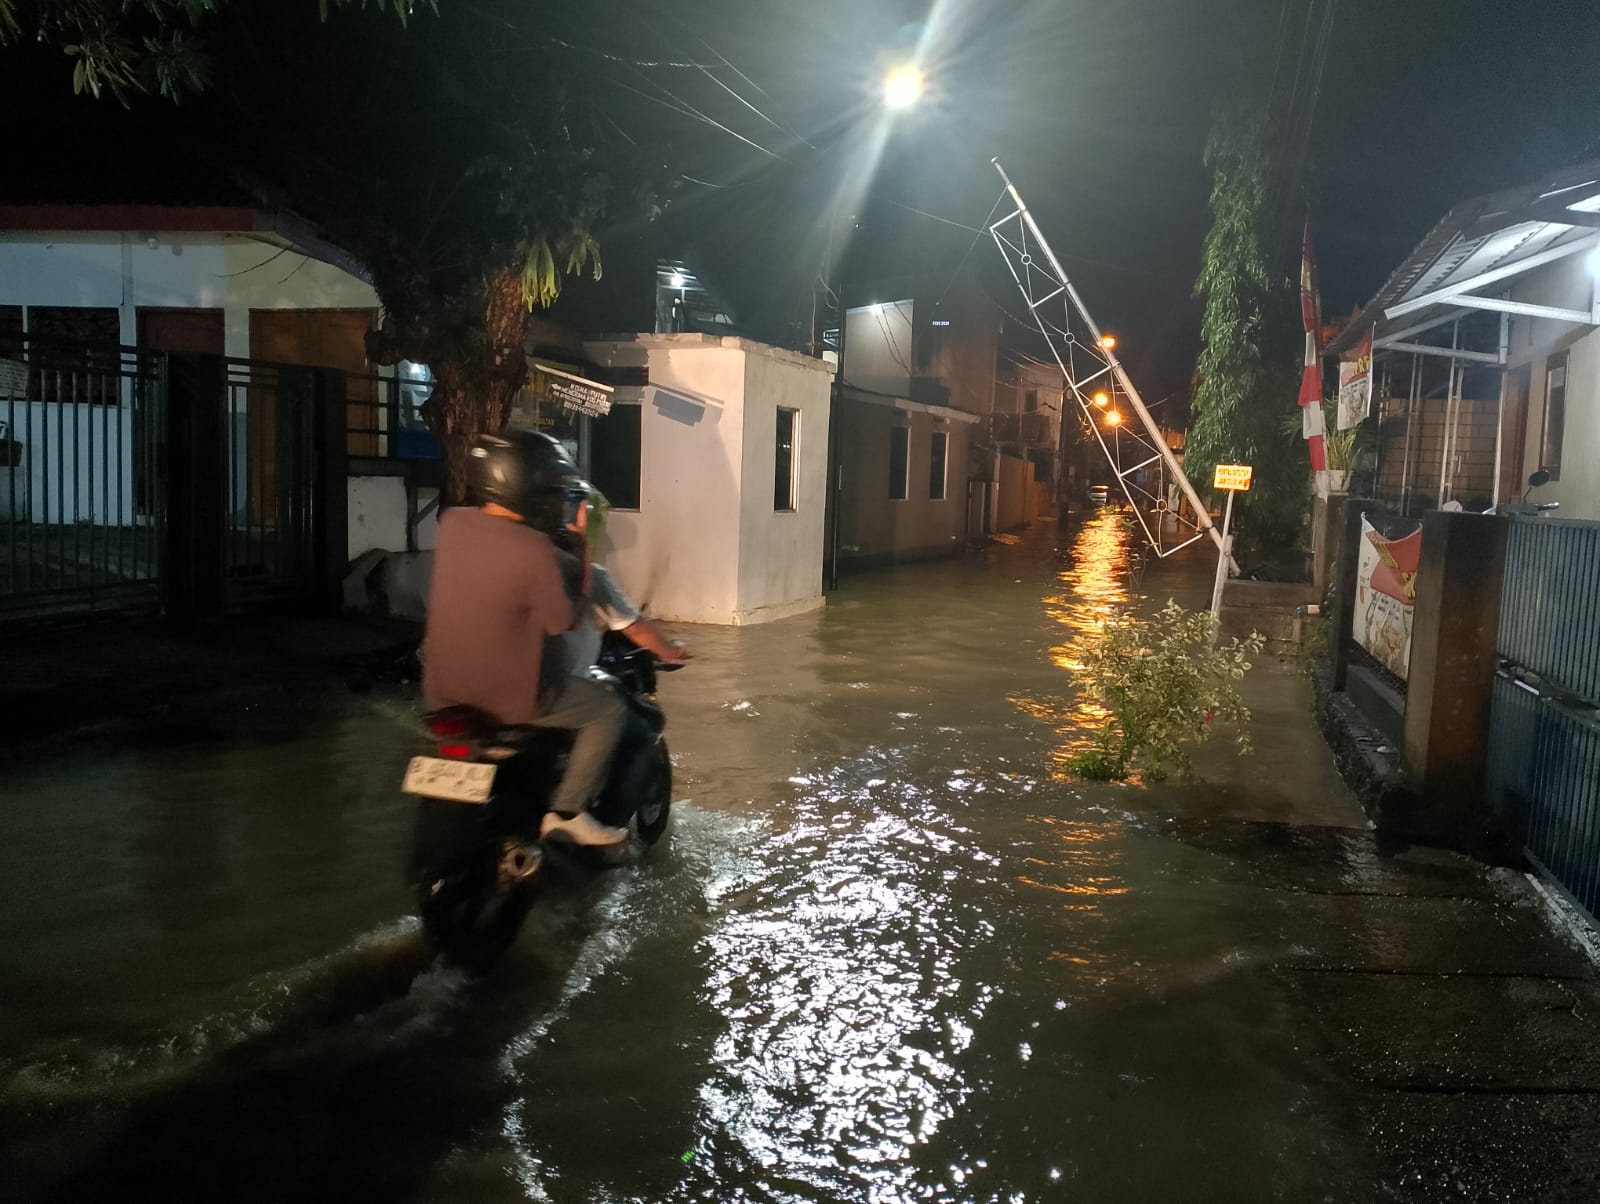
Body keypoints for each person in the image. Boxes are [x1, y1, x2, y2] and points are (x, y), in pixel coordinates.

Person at [421, 431, 627, 848]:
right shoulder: (533, 548)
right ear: (527, 488)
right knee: (608, 710)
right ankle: (568, 812)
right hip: (511, 700)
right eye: (549, 490)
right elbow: (562, 622)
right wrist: (586, 547)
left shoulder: (452, 523)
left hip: (443, 694)